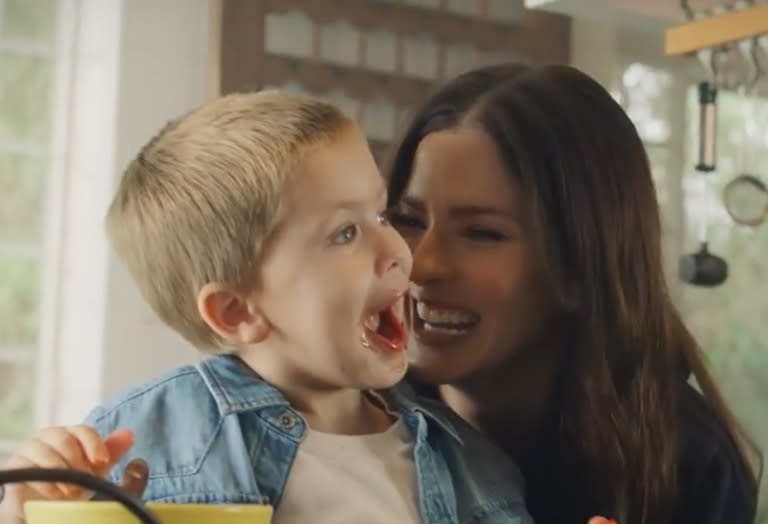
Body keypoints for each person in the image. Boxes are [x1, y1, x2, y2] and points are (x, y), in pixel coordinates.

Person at [0, 91, 533, 524]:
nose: (397, 250)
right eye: (345, 232)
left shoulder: (472, 464)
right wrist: (31, 513)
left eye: (382, 216)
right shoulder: (141, 442)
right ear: (237, 312)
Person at [385, 63, 761, 524]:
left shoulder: (684, 465)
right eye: (408, 220)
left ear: (582, 261)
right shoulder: (339, 418)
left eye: (481, 234)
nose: (421, 264)